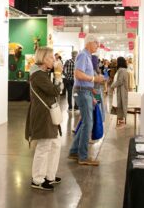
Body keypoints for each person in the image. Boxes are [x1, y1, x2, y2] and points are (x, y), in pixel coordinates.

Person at [26, 47, 62, 191]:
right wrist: (58, 75)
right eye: (50, 57)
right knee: (44, 146)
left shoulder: (43, 74)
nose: (53, 59)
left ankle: (49, 175)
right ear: (43, 59)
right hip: (43, 115)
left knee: (55, 144)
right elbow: (55, 90)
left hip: (48, 113)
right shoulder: (38, 75)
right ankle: (37, 179)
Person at [68, 35, 104, 166]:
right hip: (82, 92)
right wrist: (94, 79)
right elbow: (78, 74)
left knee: (85, 123)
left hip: (85, 91)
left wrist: (91, 90)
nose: (98, 46)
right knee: (88, 123)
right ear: (89, 43)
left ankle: (74, 151)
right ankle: (82, 157)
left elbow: (81, 77)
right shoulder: (83, 55)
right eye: (96, 43)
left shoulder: (87, 56)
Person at [111, 57, 130, 127]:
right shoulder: (121, 70)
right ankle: (120, 122)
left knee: (120, 105)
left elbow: (120, 81)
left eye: (117, 61)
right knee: (119, 105)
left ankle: (121, 123)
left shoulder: (122, 70)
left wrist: (112, 86)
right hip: (118, 91)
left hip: (121, 91)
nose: (116, 63)